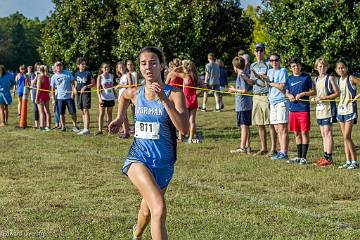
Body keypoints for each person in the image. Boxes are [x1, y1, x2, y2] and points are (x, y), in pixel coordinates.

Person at [109, 46, 189, 240]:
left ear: (161, 65)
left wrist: (164, 100)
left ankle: (136, 235)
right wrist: (120, 118)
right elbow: (124, 96)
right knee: (159, 208)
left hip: (164, 163)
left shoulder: (174, 94)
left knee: (147, 211)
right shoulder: (136, 93)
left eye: (153, 63)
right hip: (139, 159)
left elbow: (184, 129)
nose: (148, 67)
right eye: (143, 63)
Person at [285, 57, 315, 165]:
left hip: (303, 109)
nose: (295, 68)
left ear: (300, 66)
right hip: (293, 110)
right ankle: (298, 157)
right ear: (291, 68)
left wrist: (303, 94)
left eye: (297, 65)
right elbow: (287, 92)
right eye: (293, 66)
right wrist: (289, 95)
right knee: (296, 134)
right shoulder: (289, 78)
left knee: (304, 133)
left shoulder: (306, 77)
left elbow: (313, 91)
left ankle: (304, 157)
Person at [260, 53, 289, 160]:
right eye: (271, 61)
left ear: (279, 60)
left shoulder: (283, 71)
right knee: (277, 128)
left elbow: (281, 86)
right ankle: (281, 151)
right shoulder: (270, 71)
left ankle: (284, 152)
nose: (274, 62)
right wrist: (264, 79)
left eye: (276, 60)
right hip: (272, 102)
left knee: (282, 128)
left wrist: (270, 82)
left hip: (281, 101)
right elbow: (268, 86)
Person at [250, 43, 277, 157]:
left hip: (266, 95)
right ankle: (263, 148)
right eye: (257, 50)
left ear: (264, 52)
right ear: (254, 52)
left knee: (270, 123)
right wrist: (244, 77)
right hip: (256, 95)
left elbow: (272, 78)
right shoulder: (253, 65)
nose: (259, 53)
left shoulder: (268, 64)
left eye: (261, 50)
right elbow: (252, 81)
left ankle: (273, 148)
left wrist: (264, 77)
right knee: (259, 123)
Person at [311, 58, 339, 166]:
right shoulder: (316, 79)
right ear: (316, 68)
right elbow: (316, 94)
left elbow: (337, 93)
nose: (322, 68)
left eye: (323, 66)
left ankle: (329, 158)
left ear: (327, 67)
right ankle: (325, 157)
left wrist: (324, 98)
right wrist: (314, 98)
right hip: (319, 110)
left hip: (328, 109)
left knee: (328, 133)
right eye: (319, 66)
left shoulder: (330, 78)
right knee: (323, 134)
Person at [335, 60, 360, 169]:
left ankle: (355, 161)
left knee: (347, 136)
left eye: (343, 67)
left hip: (350, 110)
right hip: (341, 110)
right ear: (336, 70)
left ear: (346, 68)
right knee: (344, 137)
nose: (341, 69)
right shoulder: (339, 80)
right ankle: (348, 161)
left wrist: (358, 95)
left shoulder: (351, 78)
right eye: (339, 68)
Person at [229, 57, 252, 154]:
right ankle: (246, 146)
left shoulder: (241, 75)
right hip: (245, 104)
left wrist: (234, 90)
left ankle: (242, 147)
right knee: (245, 126)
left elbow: (244, 90)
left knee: (243, 126)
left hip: (243, 105)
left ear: (235, 66)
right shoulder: (243, 74)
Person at [51, 61, 80, 132]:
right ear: (55, 67)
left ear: (62, 66)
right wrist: (53, 100)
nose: (59, 67)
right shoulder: (53, 77)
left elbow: (73, 83)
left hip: (69, 97)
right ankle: (63, 126)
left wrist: (73, 92)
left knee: (73, 112)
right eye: (57, 66)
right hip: (60, 98)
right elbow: (52, 89)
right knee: (61, 113)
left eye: (60, 65)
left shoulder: (67, 73)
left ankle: (75, 126)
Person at [74, 57, 95, 135]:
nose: (84, 65)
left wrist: (86, 86)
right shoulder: (76, 74)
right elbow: (75, 84)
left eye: (84, 64)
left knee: (86, 110)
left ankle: (87, 129)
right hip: (79, 94)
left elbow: (93, 83)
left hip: (86, 94)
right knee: (82, 110)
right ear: (78, 65)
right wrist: (74, 89)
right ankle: (84, 128)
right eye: (82, 64)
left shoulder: (88, 73)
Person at [96, 62, 115, 135]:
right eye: (105, 67)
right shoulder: (100, 77)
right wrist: (99, 99)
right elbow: (98, 89)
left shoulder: (111, 76)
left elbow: (112, 87)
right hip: (103, 98)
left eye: (108, 67)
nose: (106, 69)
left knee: (109, 114)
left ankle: (109, 129)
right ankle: (100, 130)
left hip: (111, 98)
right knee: (101, 114)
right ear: (102, 69)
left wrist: (115, 95)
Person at [115, 62, 130, 138]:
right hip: (121, 96)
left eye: (122, 67)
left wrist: (120, 86)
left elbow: (130, 85)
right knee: (123, 115)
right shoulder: (121, 76)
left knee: (123, 115)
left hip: (126, 97)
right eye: (119, 68)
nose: (121, 69)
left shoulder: (127, 74)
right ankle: (125, 131)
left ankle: (126, 132)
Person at [35, 65, 51, 131]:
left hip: (41, 96)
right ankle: (48, 126)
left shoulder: (40, 77)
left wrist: (36, 97)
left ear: (39, 70)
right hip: (46, 95)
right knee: (47, 111)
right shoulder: (47, 77)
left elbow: (38, 89)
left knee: (41, 112)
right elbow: (49, 88)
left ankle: (42, 127)